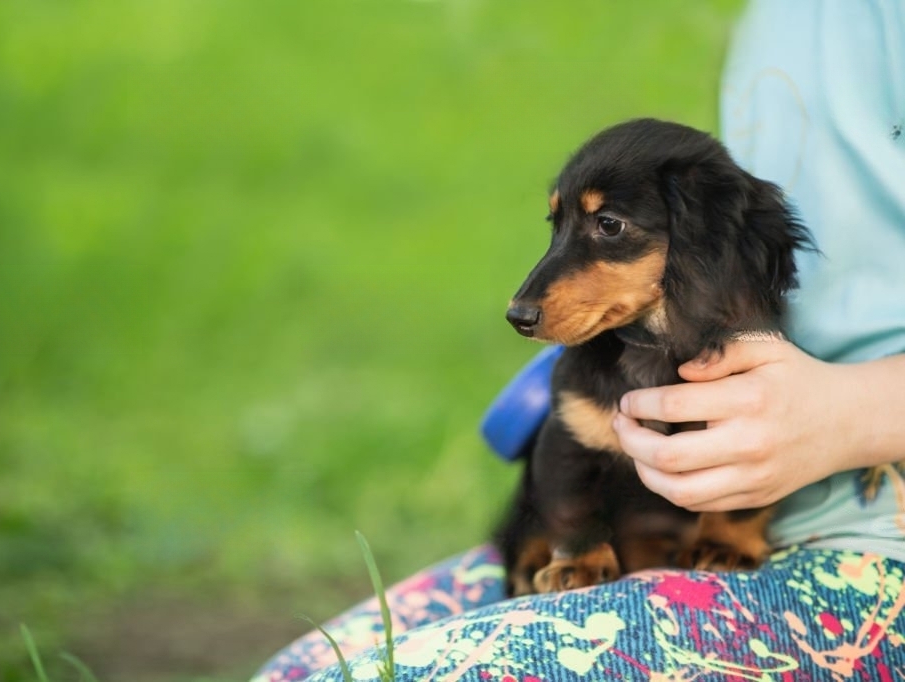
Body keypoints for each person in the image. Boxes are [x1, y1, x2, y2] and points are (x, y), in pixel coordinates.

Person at [254, 1, 905, 678]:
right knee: (300, 675)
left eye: (607, 228)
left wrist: (852, 413)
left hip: (874, 549)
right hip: (644, 527)